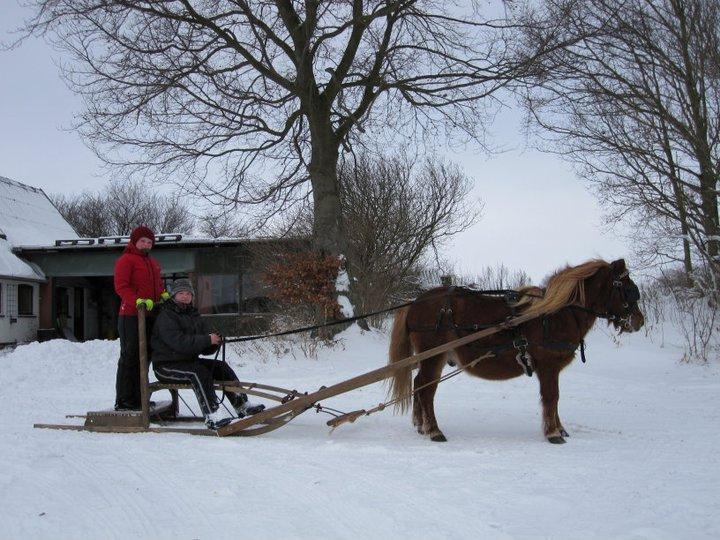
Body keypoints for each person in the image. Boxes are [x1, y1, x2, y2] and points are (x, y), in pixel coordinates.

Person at [151, 278, 265, 430]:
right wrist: (206, 339)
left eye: (188, 293)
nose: (185, 296)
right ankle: (212, 415)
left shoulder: (193, 315)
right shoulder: (166, 316)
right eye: (181, 293)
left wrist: (214, 342)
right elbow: (180, 343)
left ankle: (242, 404)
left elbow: (203, 347)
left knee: (221, 367)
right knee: (199, 373)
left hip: (187, 361)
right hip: (166, 366)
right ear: (173, 296)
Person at [113, 225, 167, 410]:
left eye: (149, 242)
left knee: (145, 357)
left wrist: (163, 295)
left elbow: (157, 285)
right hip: (131, 315)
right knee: (130, 356)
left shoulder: (152, 263)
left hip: (150, 315)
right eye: (143, 241)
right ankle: (125, 400)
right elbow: (121, 286)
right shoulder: (126, 260)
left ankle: (140, 398)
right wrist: (138, 301)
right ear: (134, 241)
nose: (146, 244)